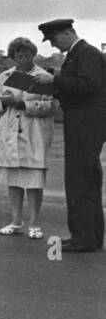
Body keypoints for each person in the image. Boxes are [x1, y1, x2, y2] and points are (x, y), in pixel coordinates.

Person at [32, 19, 106, 252]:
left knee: (79, 180)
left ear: (67, 33)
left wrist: (54, 80)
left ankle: (83, 239)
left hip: (86, 121)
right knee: (87, 180)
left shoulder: (85, 53)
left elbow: (88, 84)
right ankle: (89, 237)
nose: (53, 45)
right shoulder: (79, 54)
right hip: (85, 120)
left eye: (54, 39)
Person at [0, 37, 55, 239]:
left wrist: (24, 105)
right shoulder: (4, 76)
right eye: (19, 56)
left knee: (33, 179)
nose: (24, 59)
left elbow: (51, 106)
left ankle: (35, 223)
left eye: (27, 55)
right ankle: (16, 221)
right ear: (13, 57)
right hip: (9, 130)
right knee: (13, 179)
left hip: (33, 131)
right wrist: (2, 102)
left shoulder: (43, 77)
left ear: (34, 55)